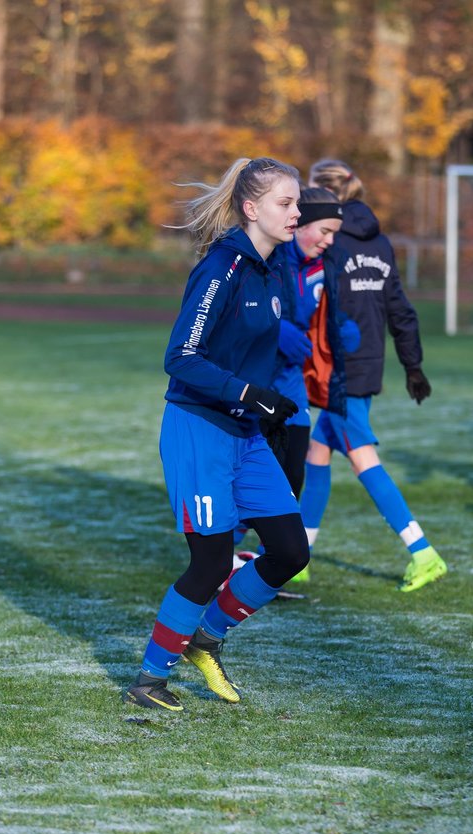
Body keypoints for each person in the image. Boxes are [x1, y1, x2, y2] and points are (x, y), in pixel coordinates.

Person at [123, 157, 310, 713]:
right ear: (251, 209)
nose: (296, 213)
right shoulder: (222, 268)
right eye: (286, 203)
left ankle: (206, 638)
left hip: (244, 432)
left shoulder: (275, 266)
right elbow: (180, 358)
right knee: (209, 563)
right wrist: (253, 396)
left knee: (289, 550)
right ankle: (150, 678)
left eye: (298, 203)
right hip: (199, 429)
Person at [295, 159, 446, 593]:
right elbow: (399, 308)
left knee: (363, 459)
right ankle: (299, 559)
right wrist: (411, 365)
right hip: (366, 364)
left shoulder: (328, 241)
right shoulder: (380, 242)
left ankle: (423, 552)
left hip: (338, 368)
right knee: (318, 454)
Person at [231, 186, 359, 582]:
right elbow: (236, 312)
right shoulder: (268, 257)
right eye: (324, 230)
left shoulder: (324, 267)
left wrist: (340, 331)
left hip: (289, 382)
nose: (329, 240)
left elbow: (323, 318)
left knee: (292, 475)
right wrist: (276, 330)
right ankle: (221, 556)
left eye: (334, 233)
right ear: (300, 224)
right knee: (251, 474)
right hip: (253, 380)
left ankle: (266, 566)